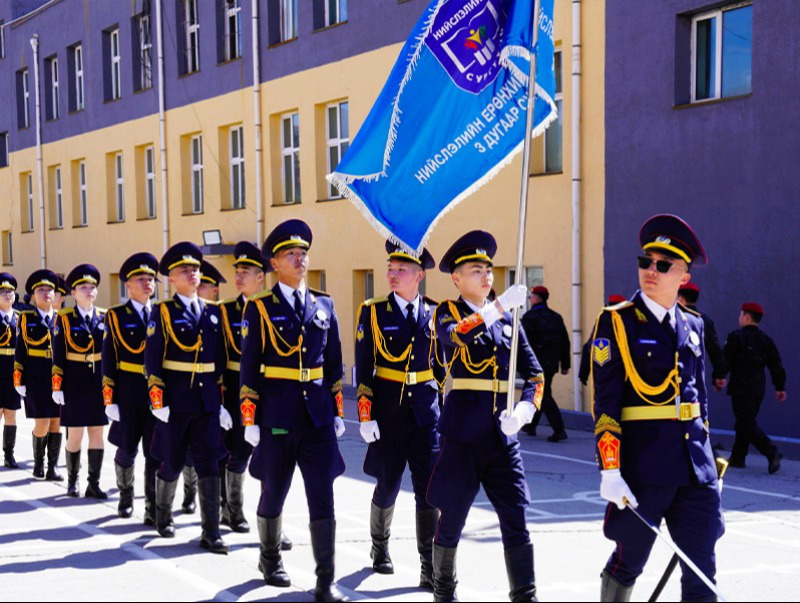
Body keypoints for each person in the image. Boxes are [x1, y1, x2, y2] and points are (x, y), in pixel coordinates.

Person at [591, 214, 723, 602]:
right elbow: (606, 405)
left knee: (701, 567)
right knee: (629, 560)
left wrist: (708, 460)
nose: (651, 270)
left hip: (694, 469)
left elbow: (699, 400)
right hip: (642, 468)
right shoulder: (617, 322)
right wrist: (610, 469)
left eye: (663, 265)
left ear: (683, 276)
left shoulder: (694, 325)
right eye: (645, 261)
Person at [427, 230, 544, 602]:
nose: (485, 276)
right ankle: (444, 591)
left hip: (501, 436)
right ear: (456, 278)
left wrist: (525, 410)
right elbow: (457, 336)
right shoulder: (447, 312)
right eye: (475, 270)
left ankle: (525, 594)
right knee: (453, 515)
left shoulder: (510, 320)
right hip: (463, 434)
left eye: (488, 270)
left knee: (516, 514)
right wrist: (499, 307)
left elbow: (536, 374)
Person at [239, 219, 347, 601]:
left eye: (303, 253)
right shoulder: (260, 308)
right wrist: (249, 419)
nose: (299, 259)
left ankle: (325, 580)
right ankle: (269, 558)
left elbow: (334, 365)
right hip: (277, 415)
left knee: (323, 494)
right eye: (290, 254)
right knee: (275, 490)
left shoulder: (324, 304)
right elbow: (249, 367)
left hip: (317, 416)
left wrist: (338, 411)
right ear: (274, 263)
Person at [354, 241, 444, 587]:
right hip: (388, 411)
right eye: (390, 269)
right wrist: (365, 415)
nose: (393, 275)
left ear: (419, 275)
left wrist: (441, 407)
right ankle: (380, 548)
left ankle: (428, 565)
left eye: (401, 270)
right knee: (388, 483)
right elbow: (364, 368)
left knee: (428, 489)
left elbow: (441, 367)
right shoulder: (374, 311)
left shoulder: (435, 312)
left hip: (425, 413)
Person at [145, 241, 230, 553]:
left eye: (195, 268)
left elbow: (219, 361)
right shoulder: (163, 312)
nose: (193, 273)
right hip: (176, 401)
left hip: (206, 401)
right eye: (185, 270)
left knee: (209, 463)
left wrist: (221, 404)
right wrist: (158, 400)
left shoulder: (213, 312)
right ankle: (162, 516)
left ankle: (211, 531)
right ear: (171, 278)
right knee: (172, 461)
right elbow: (152, 360)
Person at [102, 253, 159, 520]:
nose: (147, 283)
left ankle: (152, 506)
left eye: (151, 279)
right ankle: (125, 495)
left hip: (156, 393)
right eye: (141, 279)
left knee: (155, 452)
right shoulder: (116, 315)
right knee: (126, 449)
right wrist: (109, 399)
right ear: (128, 285)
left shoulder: (162, 313)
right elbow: (109, 358)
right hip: (127, 391)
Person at [52, 265, 108, 498]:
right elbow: (58, 354)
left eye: (92, 287)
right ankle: (73, 481)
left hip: (97, 382)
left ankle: (93, 483)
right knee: (75, 434)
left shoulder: (105, 317)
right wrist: (57, 386)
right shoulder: (64, 318)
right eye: (84, 287)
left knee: (97, 433)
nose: (89, 290)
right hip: (74, 382)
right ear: (73, 293)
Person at [721, 302, 786, 474]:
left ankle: (771, 452)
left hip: (741, 387)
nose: (739, 318)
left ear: (747, 317)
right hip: (758, 388)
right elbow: (776, 364)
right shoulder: (766, 340)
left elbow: (725, 360)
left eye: (741, 315)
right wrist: (780, 387)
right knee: (745, 421)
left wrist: (718, 377)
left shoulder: (736, 337)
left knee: (745, 422)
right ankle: (738, 457)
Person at [14, 269, 63, 481]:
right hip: (35, 378)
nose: (46, 293)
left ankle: (52, 467)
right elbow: (20, 350)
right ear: (33, 295)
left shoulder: (62, 319)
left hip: (58, 379)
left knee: (56, 423)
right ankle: (38, 462)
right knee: (42, 422)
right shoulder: (26, 319)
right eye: (41, 290)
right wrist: (19, 379)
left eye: (50, 290)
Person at [520, 285, 570, 441]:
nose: (530, 299)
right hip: (551, 364)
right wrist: (565, 364)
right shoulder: (556, 317)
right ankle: (531, 425)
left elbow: (523, 343)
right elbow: (565, 341)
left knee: (544, 394)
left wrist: (519, 363)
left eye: (531, 296)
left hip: (535, 364)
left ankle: (559, 429)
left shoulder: (529, 318)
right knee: (541, 392)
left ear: (536, 298)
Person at [678, 282, 729, 391]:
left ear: (680, 298)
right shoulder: (704, 321)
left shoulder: (674, 318)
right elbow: (714, 350)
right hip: (695, 375)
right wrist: (719, 375)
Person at [579, 295, 626, 387]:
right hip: (621, 371)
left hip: (602, 372)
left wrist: (583, 373)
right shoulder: (625, 319)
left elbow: (589, 346)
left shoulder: (602, 318)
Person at [0, 273, 21, 469]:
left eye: (11, 291)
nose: (8, 295)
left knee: (11, 414)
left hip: (13, 372)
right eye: (3, 291)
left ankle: (9, 454)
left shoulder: (20, 319)